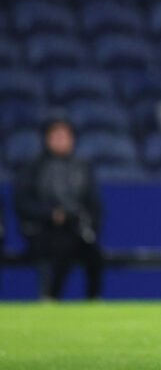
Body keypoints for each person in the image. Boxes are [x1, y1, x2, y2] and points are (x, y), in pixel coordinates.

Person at [14, 119, 103, 300]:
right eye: (56, 136)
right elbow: (22, 202)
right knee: (62, 249)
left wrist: (90, 223)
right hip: (43, 229)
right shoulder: (34, 167)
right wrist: (50, 214)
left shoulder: (82, 167)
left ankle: (93, 299)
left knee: (94, 255)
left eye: (65, 137)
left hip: (74, 228)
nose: (61, 141)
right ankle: (51, 297)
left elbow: (94, 204)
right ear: (47, 139)